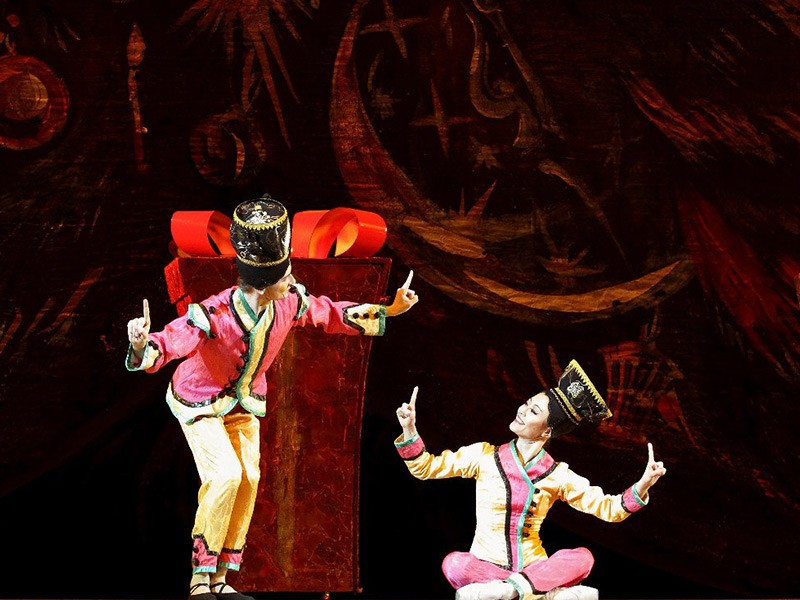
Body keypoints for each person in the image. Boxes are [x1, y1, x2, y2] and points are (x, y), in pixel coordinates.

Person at [127, 196, 418, 600]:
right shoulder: (216, 313)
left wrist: (390, 309)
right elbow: (174, 339)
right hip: (199, 401)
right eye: (285, 277)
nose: (292, 282)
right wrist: (142, 345)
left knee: (249, 479)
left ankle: (222, 577)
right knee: (224, 476)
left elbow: (330, 312)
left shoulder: (289, 302)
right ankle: (199, 579)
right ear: (263, 285)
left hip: (243, 401)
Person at [394, 360, 666, 600]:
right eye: (526, 404)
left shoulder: (558, 475)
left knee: (584, 558)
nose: (522, 411)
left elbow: (610, 509)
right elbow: (425, 467)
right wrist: (409, 428)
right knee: (454, 564)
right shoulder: (484, 456)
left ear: (546, 432)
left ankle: (511, 590)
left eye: (533, 411)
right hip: (486, 566)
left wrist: (644, 483)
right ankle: (543, 594)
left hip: (534, 568)